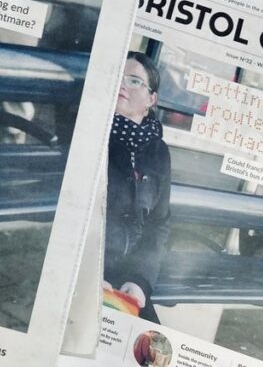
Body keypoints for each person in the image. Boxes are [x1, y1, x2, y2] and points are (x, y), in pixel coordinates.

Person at [103, 51, 171, 322]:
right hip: (91, 270)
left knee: (152, 351)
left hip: (129, 276)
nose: (122, 84)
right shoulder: (96, 133)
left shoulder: (158, 152)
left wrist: (141, 280)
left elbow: (159, 224)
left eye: (133, 81)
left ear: (151, 100)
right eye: (118, 77)